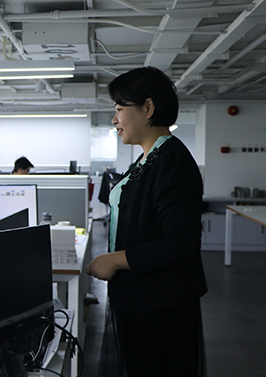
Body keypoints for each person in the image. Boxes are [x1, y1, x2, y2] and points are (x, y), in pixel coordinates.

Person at [84, 67, 207, 377]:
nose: (114, 120)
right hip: (141, 299)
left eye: (119, 109)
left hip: (159, 306)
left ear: (148, 108)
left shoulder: (171, 160)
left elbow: (181, 244)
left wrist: (114, 260)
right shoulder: (147, 158)